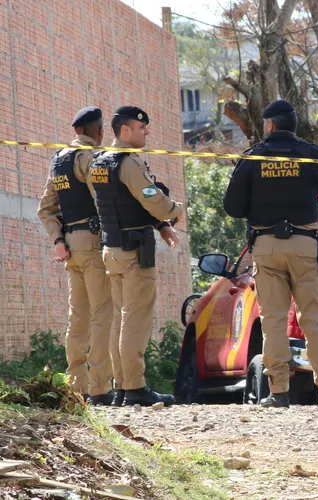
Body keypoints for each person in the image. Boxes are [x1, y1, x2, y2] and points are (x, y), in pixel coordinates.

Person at [222, 99, 318, 410]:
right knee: (313, 322)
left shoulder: (253, 157)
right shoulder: (311, 153)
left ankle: (278, 392)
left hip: (266, 247)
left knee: (273, 322)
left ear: (269, 125)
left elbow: (232, 207)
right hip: (305, 245)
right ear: (293, 124)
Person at [89, 106, 184, 407]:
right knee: (136, 320)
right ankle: (135, 387)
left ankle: (121, 387)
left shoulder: (100, 162)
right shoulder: (129, 163)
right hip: (133, 251)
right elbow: (153, 201)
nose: (146, 132)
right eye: (141, 128)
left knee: (121, 319)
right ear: (125, 131)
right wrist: (175, 212)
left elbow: (119, 202)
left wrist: (160, 226)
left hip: (112, 249)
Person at [36, 106, 118, 405]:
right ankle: (99, 388)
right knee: (102, 314)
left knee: (78, 317)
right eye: (102, 129)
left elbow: (45, 208)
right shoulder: (90, 158)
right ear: (97, 130)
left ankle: (75, 387)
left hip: (70, 245)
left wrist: (58, 239)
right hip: (93, 242)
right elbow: (103, 198)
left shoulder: (59, 160)